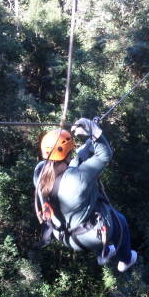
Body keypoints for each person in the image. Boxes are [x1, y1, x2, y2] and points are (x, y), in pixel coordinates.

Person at [34, 117, 138, 272]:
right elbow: (105, 154)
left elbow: (70, 169)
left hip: (64, 236)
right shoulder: (78, 179)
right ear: (68, 154)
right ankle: (126, 260)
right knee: (119, 220)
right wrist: (95, 133)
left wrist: (89, 144)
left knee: (88, 210)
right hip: (89, 236)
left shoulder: (39, 172)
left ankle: (106, 251)